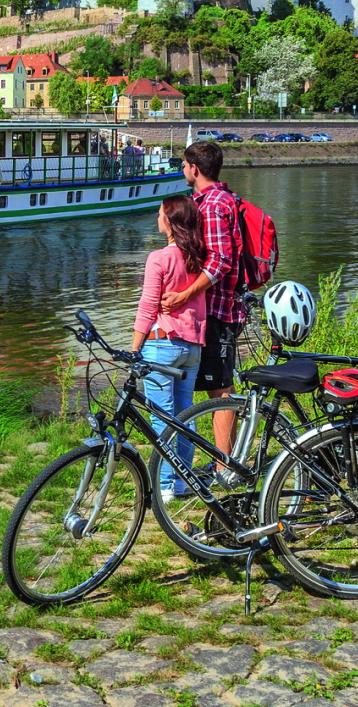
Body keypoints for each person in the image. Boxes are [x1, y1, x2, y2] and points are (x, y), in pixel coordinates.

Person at [160, 141, 250, 473]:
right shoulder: (216, 200)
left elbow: (221, 262)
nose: (183, 171)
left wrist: (184, 296)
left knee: (220, 389)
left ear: (194, 169)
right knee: (215, 386)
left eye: (184, 166)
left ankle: (225, 467)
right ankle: (224, 461)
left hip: (219, 310)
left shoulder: (213, 206)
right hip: (213, 310)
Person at [135, 194, 210, 503]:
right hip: (193, 346)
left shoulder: (159, 258)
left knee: (162, 420)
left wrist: (134, 348)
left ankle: (165, 486)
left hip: (162, 345)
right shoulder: (198, 256)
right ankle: (182, 483)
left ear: (169, 222)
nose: (157, 219)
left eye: (159, 214)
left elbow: (148, 306)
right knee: (185, 415)